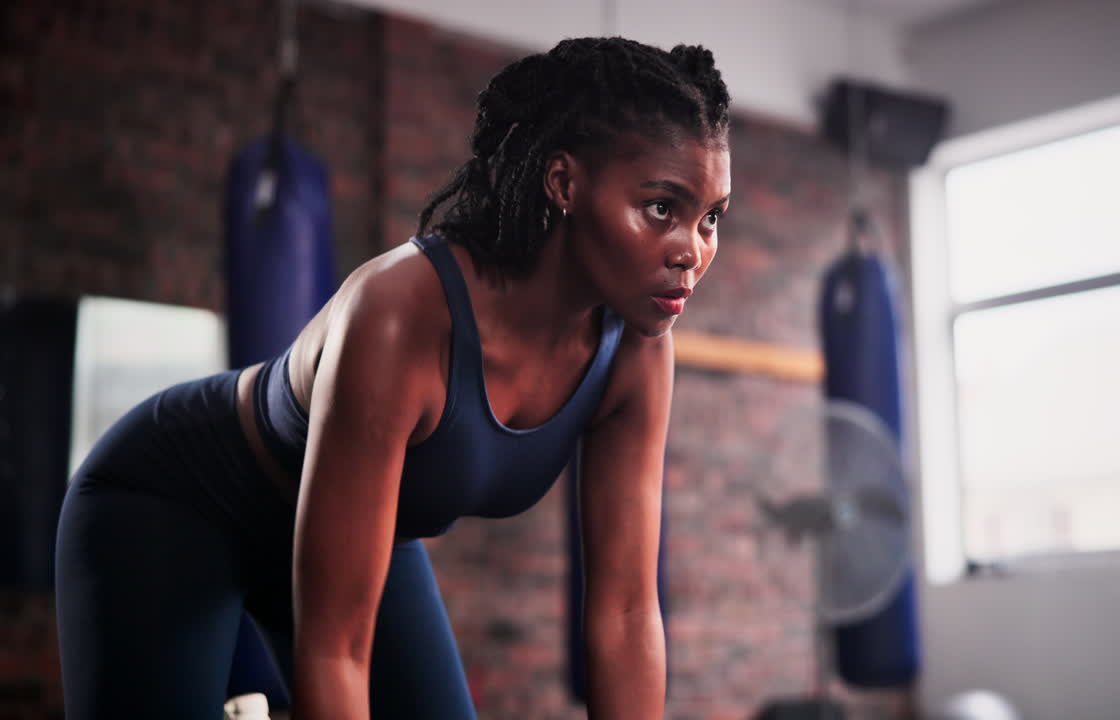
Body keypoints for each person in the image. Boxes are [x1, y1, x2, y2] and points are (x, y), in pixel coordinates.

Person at [55, 36, 731, 719]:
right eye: (661, 209)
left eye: (710, 219)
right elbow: (335, 649)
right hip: (174, 504)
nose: (693, 252)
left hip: (358, 534)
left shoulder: (637, 348)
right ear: (563, 183)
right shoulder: (400, 315)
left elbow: (623, 614)